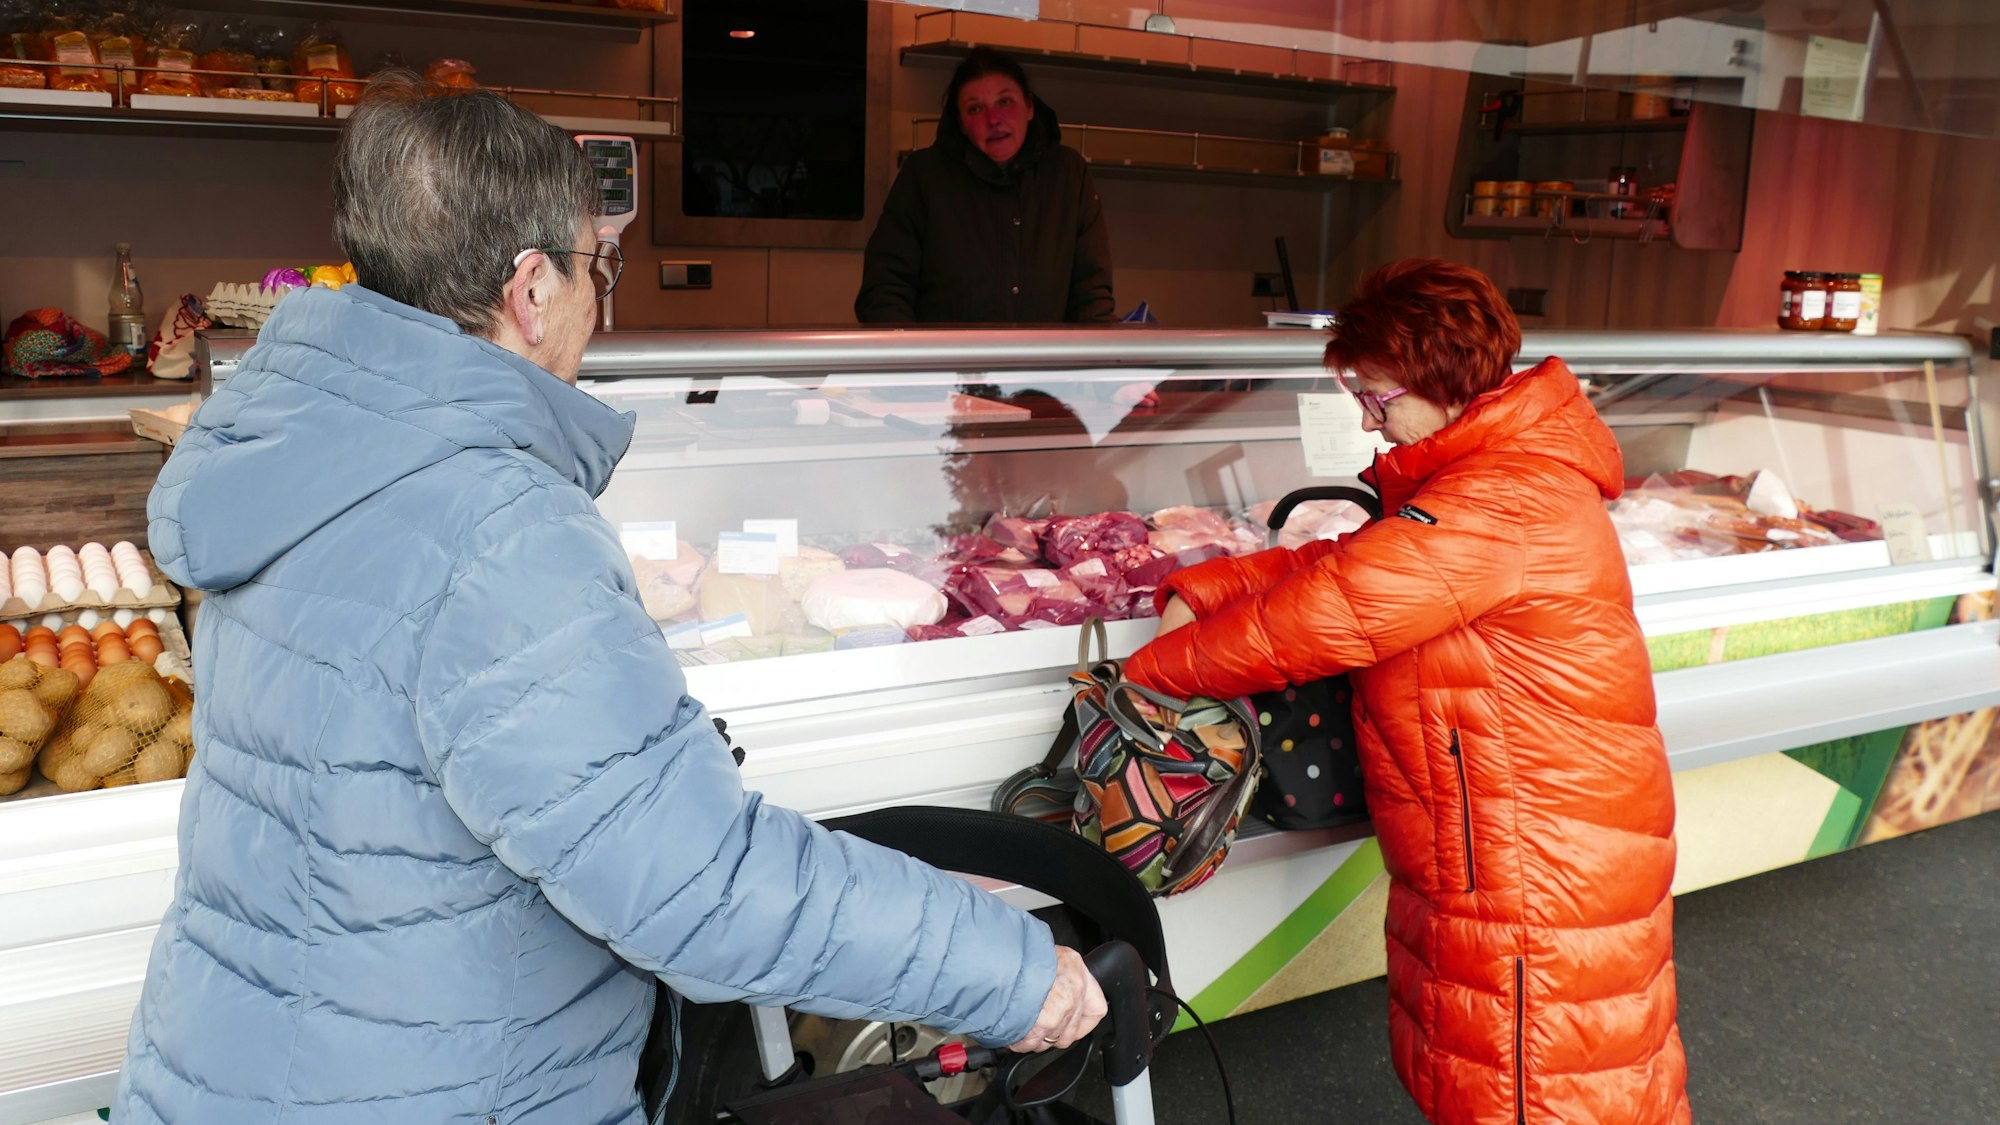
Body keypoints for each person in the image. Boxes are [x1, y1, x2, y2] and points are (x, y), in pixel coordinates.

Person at [113, 75, 1102, 1124]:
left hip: (234, 1068)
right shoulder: (497, 525)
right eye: (600, 265)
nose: (602, 297)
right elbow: (695, 883)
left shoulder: (308, 453)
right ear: (530, 289)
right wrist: (1016, 973)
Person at [1124, 260, 1690, 1124]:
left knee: (1537, 1080)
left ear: (1445, 377)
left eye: (1378, 395)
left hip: (1536, 851)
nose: (1365, 416)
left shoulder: (1506, 496)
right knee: (1538, 1069)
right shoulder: (1483, 474)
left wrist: (1143, 674)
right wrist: (1206, 591)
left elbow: (1330, 611)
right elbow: (1353, 564)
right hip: (1515, 829)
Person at [855, 47, 1113, 324]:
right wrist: (908, 359)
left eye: (1005, 102)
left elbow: (1091, 293)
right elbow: (885, 288)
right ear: (961, 123)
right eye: (975, 108)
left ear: (1029, 107)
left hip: (1044, 363)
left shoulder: (1069, 173)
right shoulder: (924, 174)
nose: (993, 119)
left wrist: (1094, 361)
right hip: (942, 363)